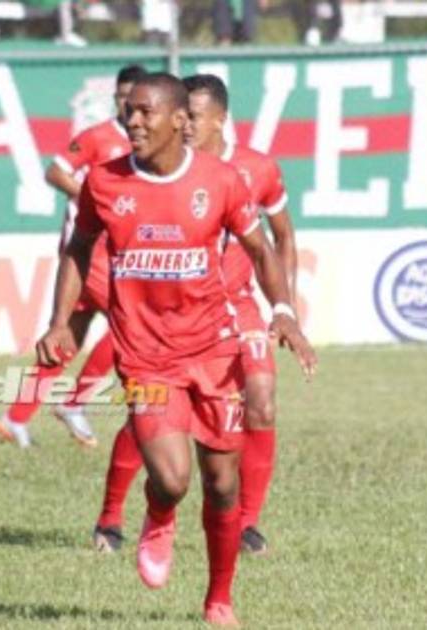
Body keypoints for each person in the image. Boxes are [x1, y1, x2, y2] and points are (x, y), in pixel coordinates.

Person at [37, 72, 316, 626]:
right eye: (129, 111)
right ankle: (158, 513)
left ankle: (219, 599)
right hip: (146, 356)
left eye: (146, 112)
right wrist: (59, 322)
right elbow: (79, 247)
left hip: (215, 348)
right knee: (172, 478)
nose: (132, 120)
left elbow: (261, 249)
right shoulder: (104, 182)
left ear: (178, 120)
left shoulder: (221, 180)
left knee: (222, 483)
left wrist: (284, 310)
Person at [90, 73, 297, 556]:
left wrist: (285, 306)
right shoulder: (152, 173)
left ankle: (245, 523)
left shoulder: (253, 170)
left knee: (262, 401)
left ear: (218, 120)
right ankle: (113, 514)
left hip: (235, 307)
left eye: (195, 119)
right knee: (157, 415)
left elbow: (279, 239)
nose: (185, 129)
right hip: (171, 316)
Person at [0, 64, 147, 449]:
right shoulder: (98, 137)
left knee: (67, 339)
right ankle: (75, 401)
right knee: (131, 322)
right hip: (88, 253)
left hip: (118, 253)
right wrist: (93, 199)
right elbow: (55, 172)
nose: (128, 106)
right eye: (122, 97)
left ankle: (15, 418)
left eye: (135, 99)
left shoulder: (147, 143)